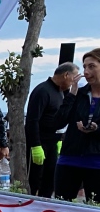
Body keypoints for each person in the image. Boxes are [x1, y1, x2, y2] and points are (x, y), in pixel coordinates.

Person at [26, 62, 80, 197]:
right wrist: (35, 145)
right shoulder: (42, 91)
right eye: (73, 78)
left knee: (50, 180)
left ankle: (45, 205)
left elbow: (61, 117)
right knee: (34, 180)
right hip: (40, 143)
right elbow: (32, 120)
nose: (73, 83)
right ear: (66, 75)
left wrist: (60, 139)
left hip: (53, 143)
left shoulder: (61, 92)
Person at [54, 48, 100, 203]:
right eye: (84, 67)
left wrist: (96, 129)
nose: (86, 72)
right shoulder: (79, 94)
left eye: (91, 66)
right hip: (70, 159)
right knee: (61, 205)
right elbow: (59, 122)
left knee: (95, 209)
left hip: (97, 162)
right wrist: (72, 93)